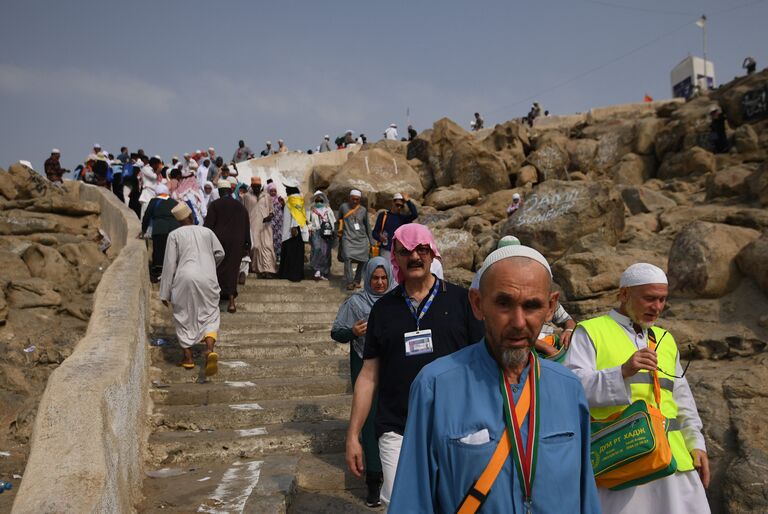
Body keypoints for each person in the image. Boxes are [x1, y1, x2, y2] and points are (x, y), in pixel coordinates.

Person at [389, 244, 600, 513]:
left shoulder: (568, 387)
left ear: (550, 308)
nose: (518, 321)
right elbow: (412, 499)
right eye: (504, 303)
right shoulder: (436, 386)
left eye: (532, 305)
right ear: (478, 304)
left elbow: (586, 496)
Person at [345, 223, 485, 507]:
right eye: (405, 251)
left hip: (456, 428)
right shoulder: (383, 310)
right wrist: (353, 434)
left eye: (421, 249)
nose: (414, 257)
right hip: (397, 428)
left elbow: (483, 365)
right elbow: (368, 375)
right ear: (395, 257)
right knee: (401, 504)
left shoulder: (461, 301)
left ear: (432, 253)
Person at [564, 263, 710, 514]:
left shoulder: (665, 339)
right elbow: (570, 389)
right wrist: (621, 373)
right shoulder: (591, 331)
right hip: (622, 462)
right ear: (624, 295)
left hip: (673, 463)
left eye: (662, 299)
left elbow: (681, 398)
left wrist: (696, 443)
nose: (657, 307)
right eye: (649, 298)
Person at [332, 257, 392, 507]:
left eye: (383, 278)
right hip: (364, 367)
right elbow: (336, 331)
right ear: (367, 278)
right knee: (367, 424)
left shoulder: (397, 301)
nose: (379, 283)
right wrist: (353, 332)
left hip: (393, 369)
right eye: (375, 278)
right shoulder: (355, 302)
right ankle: (373, 483)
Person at [160, 202, 225, 376]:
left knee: (184, 315)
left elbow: (169, 265)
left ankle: (188, 358)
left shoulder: (174, 235)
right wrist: (210, 265)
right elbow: (220, 253)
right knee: (210, 314)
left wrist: (164, 292)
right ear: (191, 215)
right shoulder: (207, 232)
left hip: (184, 278)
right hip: (207, 277)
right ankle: (210, 349)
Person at [204, 180, 251, 313]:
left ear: (219, 192)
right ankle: (231, 302)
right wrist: (247, 244)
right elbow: (246, 225)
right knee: (232, 270)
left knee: (217, 269)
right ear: (230, 191)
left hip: (218, 241)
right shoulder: (240, 206)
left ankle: (215, 300)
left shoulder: (214, 205)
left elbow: (208, 226)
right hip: (237, 242)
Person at [140, 184, 180, 282]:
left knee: (159, 250)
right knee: (171, 251)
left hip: (160, 229)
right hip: (174, 229)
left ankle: (158, 272)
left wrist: (143, 230)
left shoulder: (154, 201)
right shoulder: (173, 201)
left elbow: (147, 216)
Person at [338, 189, 374, 290]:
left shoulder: (363, 210)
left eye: (357, 199)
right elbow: (339, 219)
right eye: (353, 199)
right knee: (347, 258)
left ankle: (357, 280)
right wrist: (339, 231)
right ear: (349, 198)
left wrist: (372, 241)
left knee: (363, 259)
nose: (355, 201)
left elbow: (367, 226)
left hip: (361, 239)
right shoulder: (343, 207)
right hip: (347, 238)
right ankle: (349, 281)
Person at [242, 176, 278, 277]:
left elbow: (272, 211)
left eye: (258, 186)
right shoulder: (246, 196)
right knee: (255, 247)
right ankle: (256, 268)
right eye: (254, 186)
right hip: (252, 225)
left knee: (267, 247)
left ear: (261, 186)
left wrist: (269, 217)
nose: (256, 188)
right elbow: (243, 212)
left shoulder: (266, 196)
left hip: (265, 226)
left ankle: (268, 270)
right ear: (251, 186)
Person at [371, 192, 418, 261]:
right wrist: (379, 238)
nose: (399, 207)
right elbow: (374, 233)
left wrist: (408, 201)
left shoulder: (403, 218)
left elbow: (415, 214)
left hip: (399, 252)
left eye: (401, 206)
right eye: (397, 205)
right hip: (386, 250)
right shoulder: (383, 215)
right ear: (393, 202)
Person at [278, 179, 308, 282]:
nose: (286, 190)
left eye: (287, 189)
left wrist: (294, 226)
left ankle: (292, 275)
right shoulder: (295, 198)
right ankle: (292, 274)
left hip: (293, 232)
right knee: (293, 253)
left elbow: (296, 215)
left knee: (292, 253)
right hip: (291, 231)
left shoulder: (294, 199)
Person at [308, 190, 336, 280]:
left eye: (321, 201)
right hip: (315, 232)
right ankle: (316, 269)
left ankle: (324, 271)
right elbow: (308, 221)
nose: (319, 202)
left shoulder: (328, 210)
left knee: (326, 252)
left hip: (326, 233)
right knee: (317, 249)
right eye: (317, 201)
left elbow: (333, 221)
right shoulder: (311, 210)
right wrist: (310, 228)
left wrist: (333, 231)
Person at [267, 181, 285, 264]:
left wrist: (283, 203)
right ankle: (271, 256)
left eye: (274, 191)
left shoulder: (279, 198)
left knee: (279, 238)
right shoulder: (267, 199)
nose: (273, 192)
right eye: (271, 191)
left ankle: (278, 255)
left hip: (279, 223)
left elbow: (283, 208)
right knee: (271, 238)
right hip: (271, 222)